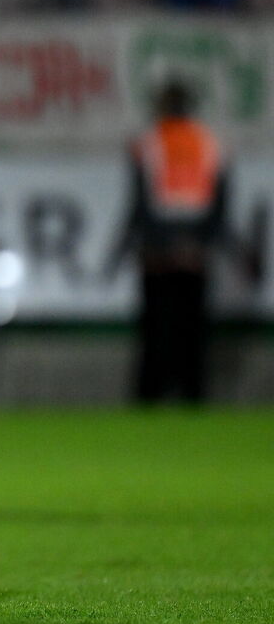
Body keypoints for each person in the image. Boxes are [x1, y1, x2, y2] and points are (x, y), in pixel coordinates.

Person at [106, 79, 232, 403]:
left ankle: (151, 395)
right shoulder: (209, 143)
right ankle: (192, 394)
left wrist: (121, 252)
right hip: (194, 255)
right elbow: (219, 207)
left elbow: (139, 206)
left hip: (157, 255)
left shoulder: (148, 143)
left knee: (156, 331)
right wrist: (200, 243)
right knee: (192, 331)